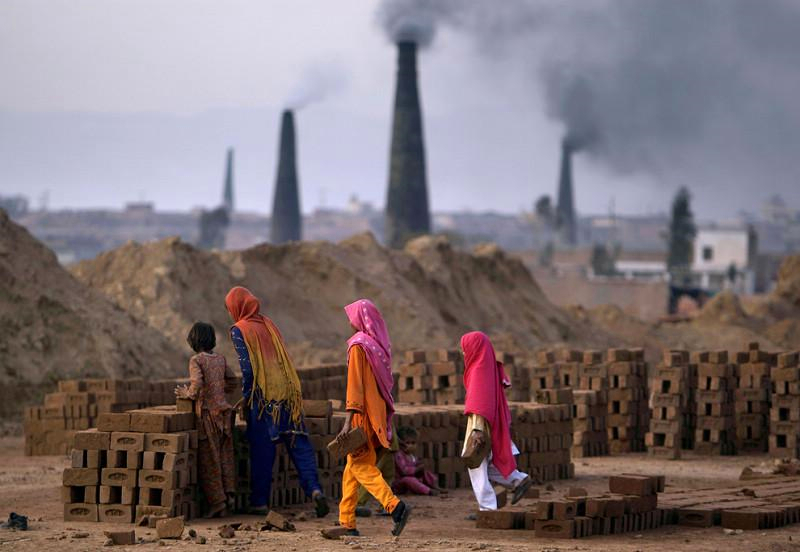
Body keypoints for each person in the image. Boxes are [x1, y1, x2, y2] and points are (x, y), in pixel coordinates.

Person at [224, 286, 329, 517]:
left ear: (235, 307)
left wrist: (247, 395)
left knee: (262, 449)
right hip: (288, 392)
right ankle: (314, 490)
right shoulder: (268, 324)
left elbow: (248, 368)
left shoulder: (239, 329)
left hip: (264, 397)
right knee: (300, 445)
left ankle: (260, 502)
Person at [333, 299, 412, 537]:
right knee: (352, 470)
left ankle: (395, 507)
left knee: (362, 467)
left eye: (351, 316)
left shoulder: (358, 347)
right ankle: (347, 522)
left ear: (360, 318)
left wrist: (348, 422)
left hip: (361, 419)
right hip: (375, 416)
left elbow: (355, 388)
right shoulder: (376, 347)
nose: (349, 321)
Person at [461, 331, 533, 511]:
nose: (464, 353)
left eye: (465, 349)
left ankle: (487, 509)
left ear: (475, 347)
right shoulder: (489, 367)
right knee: (490, 466)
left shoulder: (478, 370)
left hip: (480, 426)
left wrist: (477, 431)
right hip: (493, 423)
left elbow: (479, 402)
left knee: (475, 466)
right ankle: (518, 479)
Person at [175, 322, 237, 518]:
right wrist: (219, 392)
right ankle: (230, 495)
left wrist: (188, 393)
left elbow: (197, 383)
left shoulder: (196, 360)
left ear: (193, 340)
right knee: (225, 457)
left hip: (208, 415)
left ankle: (218, 503)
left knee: (210, 460)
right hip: (225, 414)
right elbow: (233, 380)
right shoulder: (220, 358)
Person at [355, 424, 398, 518]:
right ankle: (359, 502)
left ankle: (386, 505)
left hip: (387, 444)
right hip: (381, 442)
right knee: (373, 476)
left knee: (388, 475)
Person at [392, 426, 445, 496]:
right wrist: (416, 469)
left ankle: (434, 486)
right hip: (399, 482)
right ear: (401, 444)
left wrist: (421, 467)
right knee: (408, 480)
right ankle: (428, 491)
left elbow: (417, 465)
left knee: (426, 472)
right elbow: (404, 471)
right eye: (408, 443)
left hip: (414, 478)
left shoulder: (412, 456)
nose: (411, 446)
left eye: (413, 443)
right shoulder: (398, 455)